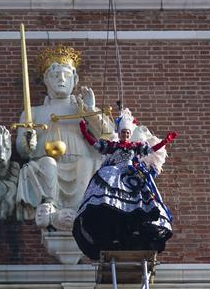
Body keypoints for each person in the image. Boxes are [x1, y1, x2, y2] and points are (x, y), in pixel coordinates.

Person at [15, 46, 114, 228]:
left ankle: (81, 209)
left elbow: (108, 136)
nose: (61, 80)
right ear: (46, 79)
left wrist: (91, 110)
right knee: (47, 164)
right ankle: (50, 204)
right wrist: (28, 141)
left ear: (75, 79)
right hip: (47, 162)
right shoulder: (33, 113)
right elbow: (23, 149)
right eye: (55, 75)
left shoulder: (82, 108)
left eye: (66, 76)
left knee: (86, 163)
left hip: (81, 162)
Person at [72, 109, 177, 260]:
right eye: (123, 133)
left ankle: (134, 224)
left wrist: (164, 142)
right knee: (106, 186)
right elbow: (95, 144)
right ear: (119, 133)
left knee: (141, 195)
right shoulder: (113, 146)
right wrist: (84, 130)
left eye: (128, 133)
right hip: (114, 174)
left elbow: (151, 150)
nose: (125, 135)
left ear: (130, 133)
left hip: (131, 175)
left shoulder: (136, 147)